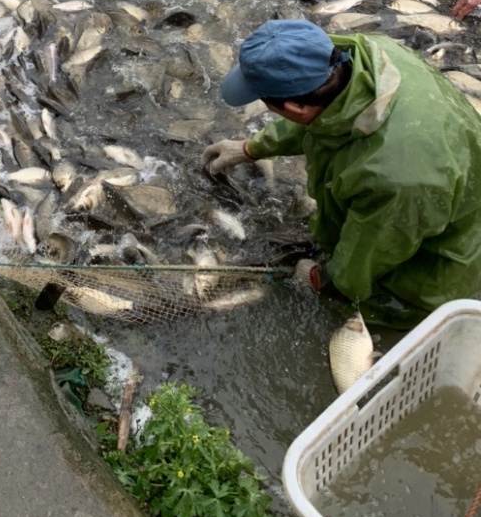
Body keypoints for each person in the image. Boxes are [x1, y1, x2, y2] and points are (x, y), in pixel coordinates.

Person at [202, 18, 481, 324]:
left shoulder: (391, 179)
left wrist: (320, 278)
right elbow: (324, 119)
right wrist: (252, 147)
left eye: (266, 101)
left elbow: (364, 261)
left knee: (361, 303)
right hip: (443, 184)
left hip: (440, 266)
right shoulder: (367, 54)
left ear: (295, 109)